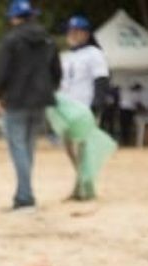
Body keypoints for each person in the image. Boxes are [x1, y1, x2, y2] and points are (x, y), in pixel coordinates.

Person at [0, 0, 62, 212]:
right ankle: (23, 192)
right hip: (41, 101)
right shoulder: (48, 40)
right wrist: (49, 90)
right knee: (29, 147)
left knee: (18, 148)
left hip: (16, 100)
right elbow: (57, 72)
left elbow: (2, 71)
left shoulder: (10, 40)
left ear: (14, 18)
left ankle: (25, 198)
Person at [57, 15, 110, 200]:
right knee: (68, 145)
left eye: (75, 31)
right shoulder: (66, 56)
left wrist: (97, 106)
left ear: (86, 34)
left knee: (83, 148)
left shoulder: (94, 54)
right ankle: (82, 180)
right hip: (67, 107)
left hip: (85, 106)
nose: (71, 35)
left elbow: (101, 80)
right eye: (69, 31)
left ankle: (83, 187)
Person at [118, 82, 143, 147]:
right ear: (137, 88)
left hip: (122, 110)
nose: (140, 91)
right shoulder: (136, 93)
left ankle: (123, 139)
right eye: (139, 89)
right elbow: (138, 104)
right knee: (128, 125)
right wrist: (145, 109)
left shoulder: (126, 91)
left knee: (123, 125)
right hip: (128, 111)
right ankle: (127, 139)